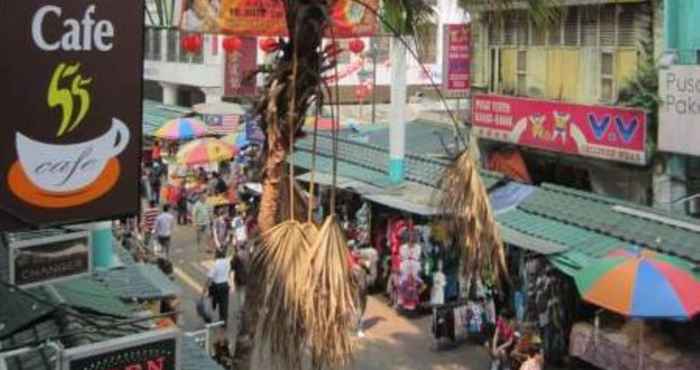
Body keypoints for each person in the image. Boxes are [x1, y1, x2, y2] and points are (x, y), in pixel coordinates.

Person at [206, 249, 233, 326]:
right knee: (224, 304)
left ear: (217, 255)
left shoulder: (216, 264)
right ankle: (224, 321)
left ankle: (209, 318)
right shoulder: (228, 262)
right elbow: (229, 271)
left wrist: (205, 288)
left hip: (216, 286)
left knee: (211, 302)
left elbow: (210, 277)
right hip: (225, 285)